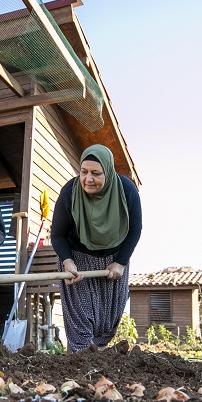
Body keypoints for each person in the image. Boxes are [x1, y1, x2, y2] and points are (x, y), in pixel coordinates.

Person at [50, 144, 142, 352]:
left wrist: (120, 263)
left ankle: (99, 358)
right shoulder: (69, 193)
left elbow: (135, 230)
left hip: (114, 259)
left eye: (96, 173)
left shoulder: (126, 191)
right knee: (80, 318)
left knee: (108, 320)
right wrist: (67, 261)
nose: (88, 179)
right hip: (78, 259)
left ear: (108, 172)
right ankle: (80, 359)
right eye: (84, 172)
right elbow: (57, 234)